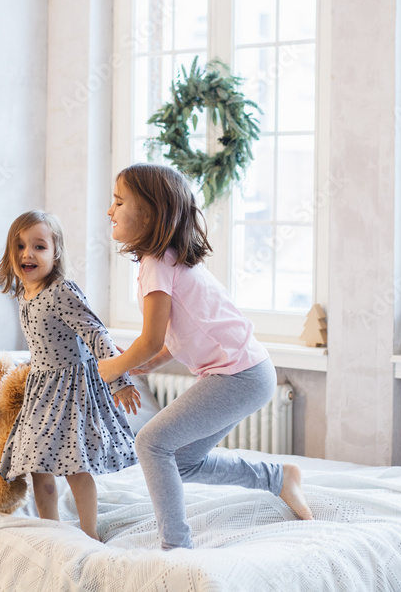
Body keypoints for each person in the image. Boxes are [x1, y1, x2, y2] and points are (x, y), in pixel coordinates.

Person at [98, 163, 313, 550]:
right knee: (180, 460)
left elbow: (148, 339)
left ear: (149, 213)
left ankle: (176, 546)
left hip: (238, 375)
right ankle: (279, 478)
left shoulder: (156, 265)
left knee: (149, 444)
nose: (109, 211)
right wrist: (152, 362)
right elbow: (182, 330)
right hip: (247, 372)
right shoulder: (168, 258)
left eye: (117, 201)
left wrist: (111, 367)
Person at [0, 210, 141, 541]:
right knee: (36, 464)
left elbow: (96, 334)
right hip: (41, 391)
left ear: (56, 252)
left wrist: (119, 380)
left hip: (72, 390)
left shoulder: (62, 290)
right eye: (20, 246)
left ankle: (89, 533)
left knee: (74, 464)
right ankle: (51, 531)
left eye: (39, 246)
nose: (28, 253)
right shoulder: (24, 295)